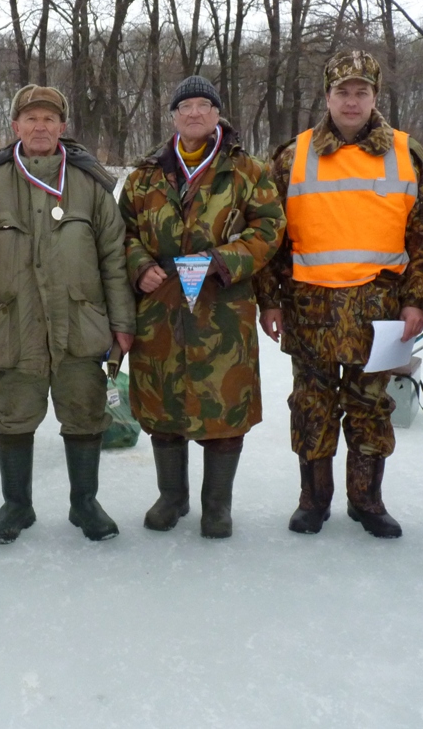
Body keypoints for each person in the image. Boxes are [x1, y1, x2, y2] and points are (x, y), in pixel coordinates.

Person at [257, 51, 423, 539]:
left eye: (362, 91)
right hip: (309, 310)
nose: (352, 101)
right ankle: (313, 501)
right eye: (343, 91)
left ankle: (368, 501)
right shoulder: (291, 157)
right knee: (312, 406)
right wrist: (270, 300)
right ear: (327, 96)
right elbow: (269, 238)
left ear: (376, 96)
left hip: (380, 314)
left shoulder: (407, 155)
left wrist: (416, 300)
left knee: (372, 408)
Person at [0, 85, 135, 544]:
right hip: (12, 325)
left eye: (49, 119)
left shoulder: (90, 184)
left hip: (81, 323)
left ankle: (85, 504)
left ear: (62, 127)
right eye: (31, 119)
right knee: (13, 414)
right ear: (15, 127)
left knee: (84, 411)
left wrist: (122, 324)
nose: (40, 127)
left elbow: (114, 259)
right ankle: (16, 505)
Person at [120, 75, 284, 539]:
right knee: (163, 407)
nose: (194, 113)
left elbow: (271, 229)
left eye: (203, 105)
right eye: (184, 105)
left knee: (224, 408)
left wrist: (220, 260)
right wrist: (138, 265)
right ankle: (172, 497)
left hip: (223, 309)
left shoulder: (248, 171)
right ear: (173, 115)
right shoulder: (143, 174)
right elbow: (121, 233)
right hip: (160, 310)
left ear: (217, 115)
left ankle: (217, 506)